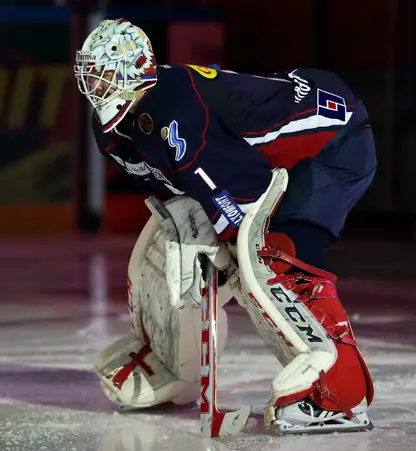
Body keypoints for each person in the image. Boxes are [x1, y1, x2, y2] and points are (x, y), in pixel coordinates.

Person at [75, 18, 375, 435]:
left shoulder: (171, 110)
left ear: (137, 68)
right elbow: (175, 196)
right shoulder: (111, 129)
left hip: (331, 144)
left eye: (107, 72)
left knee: (277, 257)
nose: (96, 83)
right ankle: (170, 365)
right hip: (267, 156)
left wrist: (234, 247)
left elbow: (244, 191)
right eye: (92, 72)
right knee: (166, 250)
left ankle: (341, 395)